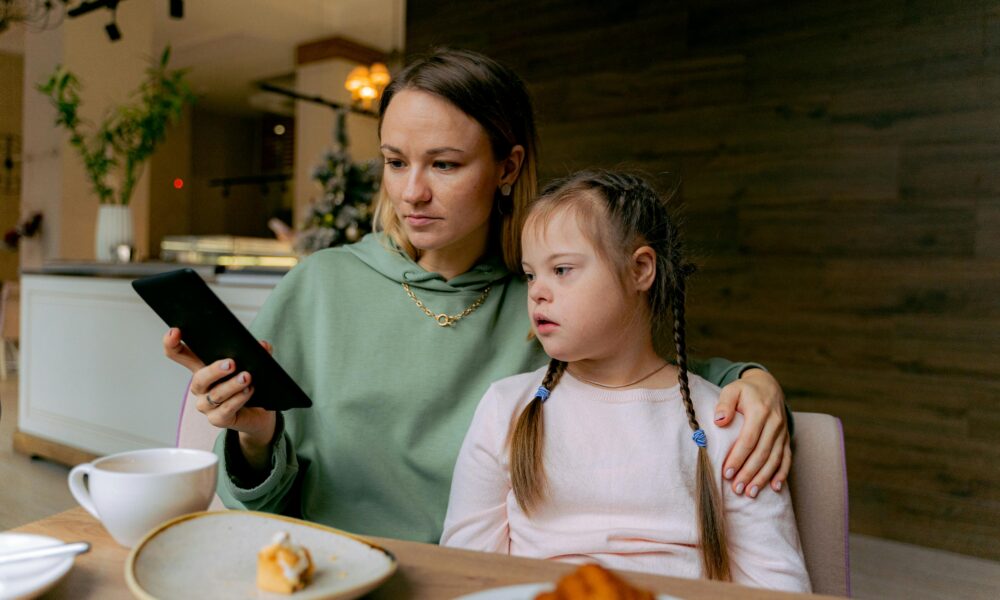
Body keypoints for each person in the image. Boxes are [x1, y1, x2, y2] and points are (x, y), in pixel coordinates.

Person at [162, 49, 791, 544]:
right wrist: (253, 437)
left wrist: (753, 379)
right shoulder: (319, 286)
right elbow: (263, 503)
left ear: (508, 167)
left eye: (444, 165)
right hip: (332, 573)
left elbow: (654, 376)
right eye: (394, 161)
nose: (412, 193)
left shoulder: (549, 300)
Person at [440, 170, 810, 592]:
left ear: (640, 269)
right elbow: (464, 571)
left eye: (561, 269)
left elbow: (779, 586)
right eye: (530, 274)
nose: (538, 291)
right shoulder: (505, 406)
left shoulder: (725, 421)